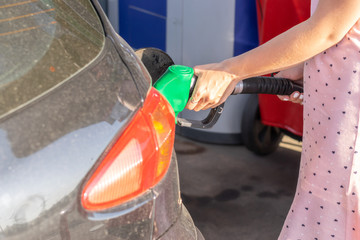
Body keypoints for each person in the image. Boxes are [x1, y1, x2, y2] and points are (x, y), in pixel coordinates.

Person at [186, 0, 360, 239]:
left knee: (337, 211)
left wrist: (229, 71)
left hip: (348, 122)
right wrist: (308, 65)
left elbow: (327, 29)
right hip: (336, 112)